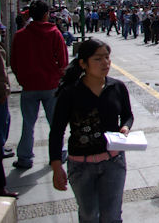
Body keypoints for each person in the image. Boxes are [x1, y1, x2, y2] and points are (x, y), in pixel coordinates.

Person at [49, 39, 133, 222]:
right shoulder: (70, 93)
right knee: (88, 215)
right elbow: (57, 130)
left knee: (112, 215)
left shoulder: (117, 87)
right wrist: (56, 166)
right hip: (81, 165)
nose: (105, 63)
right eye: (98, 59)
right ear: (83, 63)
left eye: (107, 58)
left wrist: (125, 126)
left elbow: (128, 115)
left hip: (113, 162)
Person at [11, 0, 68, 169]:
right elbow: (63, 60)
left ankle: (25, 158)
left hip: (29, 86)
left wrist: (22, 79)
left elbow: (14, 62)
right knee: (55, 123)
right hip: (50, 85)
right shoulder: (54, 33)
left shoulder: (20, 35)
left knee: (28, 124)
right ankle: (59, 154)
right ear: (46, 14)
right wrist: (59, 77)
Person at [0, 20, 12, 159]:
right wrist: (4, 91)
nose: (2, 32)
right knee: (1, 120)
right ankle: (0, 147)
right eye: (0, 29)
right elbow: (0, 73)